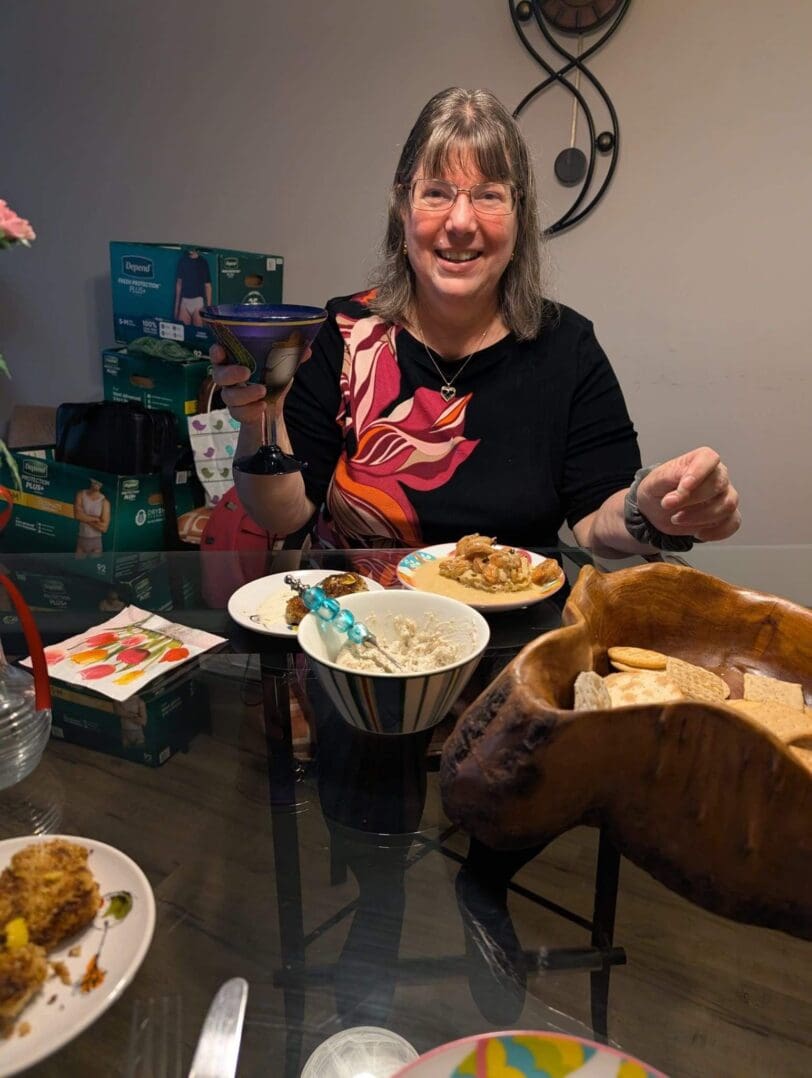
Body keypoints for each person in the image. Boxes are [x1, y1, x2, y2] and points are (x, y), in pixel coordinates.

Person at [212, 87, 741, 556]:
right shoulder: (344, 332)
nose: (461, 222)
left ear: (519, 217)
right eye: (436, 193)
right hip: (357, 635)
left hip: (516, 649)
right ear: (403, 208)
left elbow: (594, 521)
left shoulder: (568, 347)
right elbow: (284, 514)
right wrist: (262, 416)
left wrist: (647, 508)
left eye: (489, 195)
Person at [174, 248, 213, 327]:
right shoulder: (182, 261)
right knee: (184, 333)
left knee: (199, 334)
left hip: (198, 303)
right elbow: (179, 284)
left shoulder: (203, 262)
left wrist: (208, 309)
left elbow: (208, 286)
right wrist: (176, 308)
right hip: (184, 303)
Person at [74, 478, 110, 558]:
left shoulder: (105, 502)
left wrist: (85, 518)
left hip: (96, 541)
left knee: (94, 568)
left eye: (99, 483)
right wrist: (96, 519)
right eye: (95, 482)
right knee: (77, 568)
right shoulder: (81, 494)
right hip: (81, 539)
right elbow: (77, 515)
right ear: (92, 481)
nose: (97, 484)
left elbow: (104, 528)